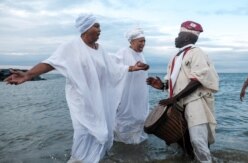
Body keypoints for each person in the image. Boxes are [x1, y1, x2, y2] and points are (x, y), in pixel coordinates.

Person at [4, 13, 149, 163]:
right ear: (85, 28)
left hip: (99, 102)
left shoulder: (101, 50)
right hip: (82, 102)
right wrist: (28, 75)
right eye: (96, 26)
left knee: (103, 135)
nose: (100, 30)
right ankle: (78, 160)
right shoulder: (71, 47)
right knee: (85, 134)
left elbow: (114, 69)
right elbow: (51, 63)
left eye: (99, 26)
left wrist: (133, 67)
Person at [146, 21, 219, 163]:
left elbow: (197, 80)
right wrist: (162, 85)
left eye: (179, 35)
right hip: (179, 103)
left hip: (194, 102)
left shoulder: (196, 53)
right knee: (182, 142)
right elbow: (177, 81)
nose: (176, 38)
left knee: (198, 141)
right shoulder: (176, 56)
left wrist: (174, 98)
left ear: (186, 37)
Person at [111, 27, 149, 144]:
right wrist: (131, 68)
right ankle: (122, 147)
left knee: (139, 118)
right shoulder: (123, 52)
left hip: (138, 96)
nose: (143, 44)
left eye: (144, 41)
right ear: (131, 42)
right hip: (125, 96)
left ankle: (136, 146)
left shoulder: (141, 55)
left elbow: (142, 68)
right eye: (140, 41)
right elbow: (113, 69)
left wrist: (146, 67)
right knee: (124, 121)